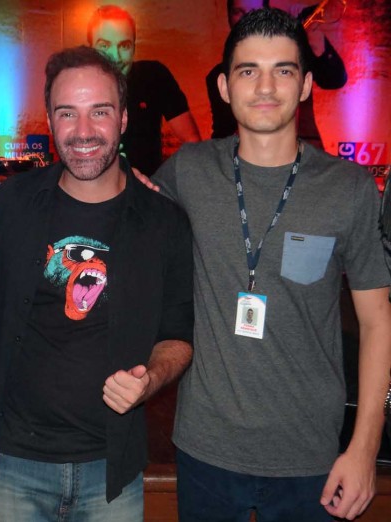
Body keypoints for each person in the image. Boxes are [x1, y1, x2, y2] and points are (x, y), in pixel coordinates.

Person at [151, 8, 391, 521]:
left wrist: (364, 448)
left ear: (305, 85)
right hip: (206, 448)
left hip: (311, 455)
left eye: (283, 70)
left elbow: (377, 321)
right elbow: (123, 210)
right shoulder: (188, 171)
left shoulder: (348, 189)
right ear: (224, 87)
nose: (265, 87)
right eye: (248, 71)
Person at [0, 45, 194, 521]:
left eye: (99, 112)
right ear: (50, 121)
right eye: (67, 113)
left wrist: (149, 380)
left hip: (111, 471)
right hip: (13, 465)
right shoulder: (9, 206)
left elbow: (178, 335)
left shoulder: (163, 222)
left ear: (123, 119)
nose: (82, 131)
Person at [207, 0, 347, 147]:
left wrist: (318, 44)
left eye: (254, 12)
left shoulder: (292, 55)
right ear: (229, 16)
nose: (246, 19)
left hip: (302, 153)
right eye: (238, 12)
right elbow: (221, 135)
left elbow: (335, 79)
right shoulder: (217, 76)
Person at [87, 4, 201, 176]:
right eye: (104, 46)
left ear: (134, 47)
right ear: (90, 49)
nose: (115, 56)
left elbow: (192, 142)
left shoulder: (153, 77)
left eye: (124, 46)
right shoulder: (78, 90)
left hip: (148, 188)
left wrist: (169, 181)